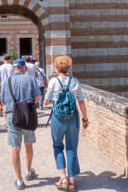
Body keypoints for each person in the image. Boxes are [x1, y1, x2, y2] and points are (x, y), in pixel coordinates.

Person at [44, 55, 89, 192]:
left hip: (58, 119)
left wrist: (53, 101)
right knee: (71, 148)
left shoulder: (53, 82)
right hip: (73, 118)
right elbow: (81, 102)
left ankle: (63, 177)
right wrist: (85, 119)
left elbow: (46, 101)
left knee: (58, 146)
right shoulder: (75, 81)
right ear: (68, 68)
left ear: (56, 68)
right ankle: (71, 182)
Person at [1, 58, 41, 190]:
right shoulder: (30, 79)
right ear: (23, 68)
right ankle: (29, 172)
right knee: (28, 145)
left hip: (13, 116)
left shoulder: (6, 81)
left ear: (14, 69)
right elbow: (37, 98)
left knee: (15, 148)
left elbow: (2, 101)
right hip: (27, 115)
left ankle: (19, 181)